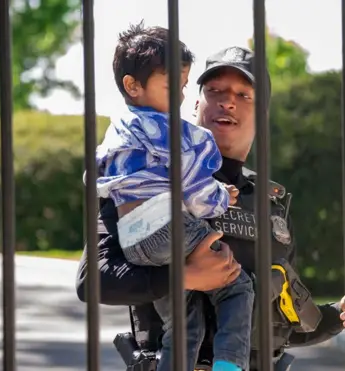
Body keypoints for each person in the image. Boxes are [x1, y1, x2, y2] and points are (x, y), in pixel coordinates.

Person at [75, 44, 345, 370]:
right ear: (195, 103)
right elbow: (93, 281)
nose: (228, 101)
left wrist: (337, 316)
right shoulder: (147, 177)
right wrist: (184, 278)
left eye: (244, 95)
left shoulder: (271, 204)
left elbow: (274, 326)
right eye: (215, 90)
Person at [92, 22, 253, 371]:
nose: (178, 97)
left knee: (183, 323)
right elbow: (195, 192)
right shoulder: (179, 135)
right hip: (165, 227)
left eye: (244, 95)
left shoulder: (118, 128)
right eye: (173, 87)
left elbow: (98, 172)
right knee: (237, 288)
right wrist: (221, 197)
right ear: (132, 85)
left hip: (135, 241)